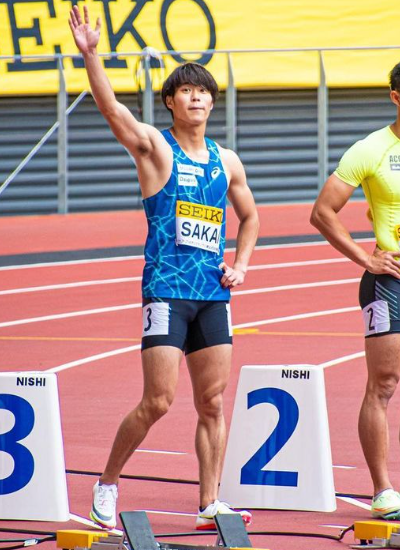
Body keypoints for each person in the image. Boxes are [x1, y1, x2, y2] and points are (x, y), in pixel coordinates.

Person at [68, 6, 259, 530]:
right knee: (157, 401)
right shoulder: (156, 149)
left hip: (212, 293)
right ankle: (106, 482)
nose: (196, 97)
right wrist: (91, 55)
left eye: (204, 91)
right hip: (166, 292)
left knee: (215, 402)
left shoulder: (228, 160)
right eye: (186, 91)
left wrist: (240, 265)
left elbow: (250, 217)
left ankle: (209, 503)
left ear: (212, 103)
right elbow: (112, 112)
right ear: (170, 102)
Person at [311, 61, 400, 520]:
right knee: (383, 384)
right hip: (390, 284)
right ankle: (383, 490)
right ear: (396, 97)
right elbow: (323, 211)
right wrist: (367, 259)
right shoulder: (372, 149)